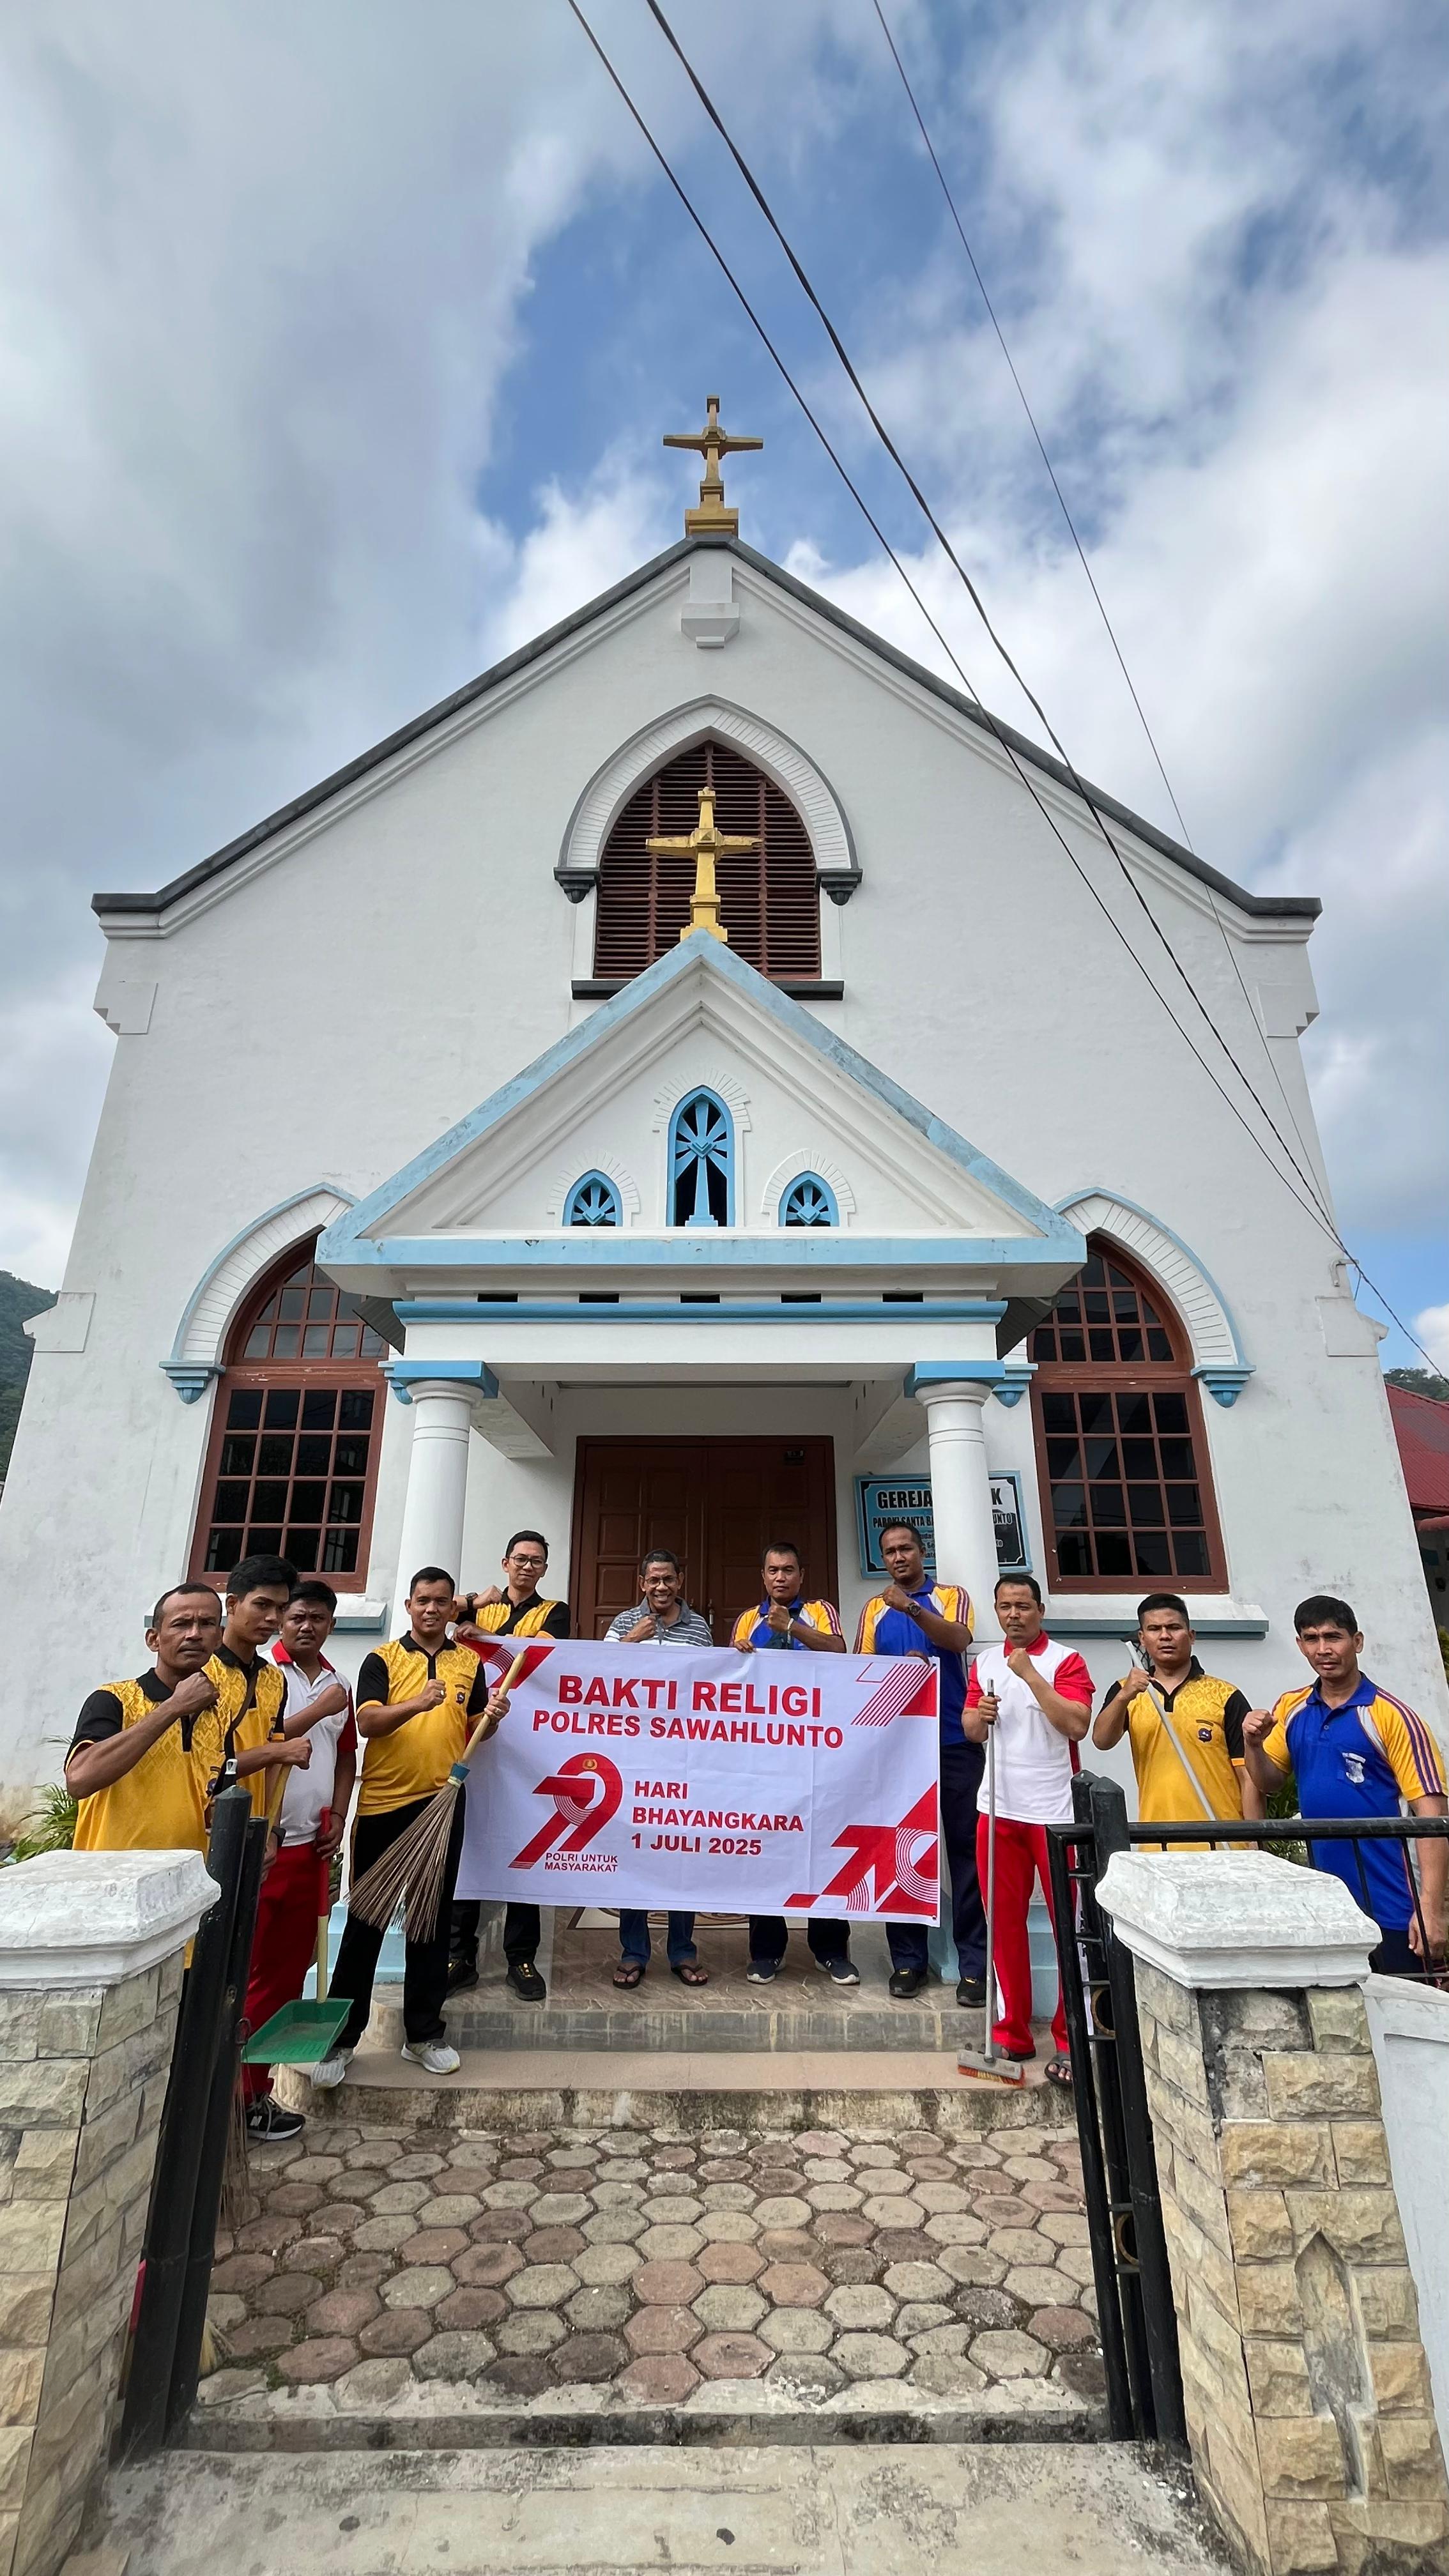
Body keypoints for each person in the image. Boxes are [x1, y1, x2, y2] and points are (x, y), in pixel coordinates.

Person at [312, 1567, 507, 2088]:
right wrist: (418, 1702)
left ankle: (423, 2034)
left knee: (430, 1921)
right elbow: (367, 1723)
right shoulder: (384, 1660)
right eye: (423, 1601)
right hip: (383, 1805)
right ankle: (341, 2039)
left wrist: (494, 1718)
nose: (432, 1609)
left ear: (452, 1609)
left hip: (443, 1804)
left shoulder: (470, 1663)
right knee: (365, 1924)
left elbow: (473, 1734)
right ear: (408, 1606)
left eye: (442, 1602)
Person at [1241, 1593, 1447, 1977]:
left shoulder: (1391, 1716)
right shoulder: (1292, 1707)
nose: (1324, 1649)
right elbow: (1269, 1781)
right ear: (1301, 1645)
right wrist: (1253, 1745)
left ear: (1358, 1642)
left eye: (1334, 1637)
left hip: (1396, 1903)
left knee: (1414, 2019)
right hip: (1331, 1906)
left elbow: (1433, 1818)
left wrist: (1430, 1909)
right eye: (1312, 1638)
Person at [67, 1577, 310, 1852]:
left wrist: (262, 1835)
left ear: (218, 1638)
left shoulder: (217, 1717)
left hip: (189, 1882)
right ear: (153, 1639)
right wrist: (173, 1707)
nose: (195, 1634)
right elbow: (80, 1780)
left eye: (206, 1624)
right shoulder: (115, 1699)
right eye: (181, 1624)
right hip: (116, 1880)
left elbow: (210, 1799)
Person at [965, 1573, 1094, 2085]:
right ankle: (1013, 2030)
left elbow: (1077, 1724)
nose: (1014, 1615)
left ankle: (1069, 2033)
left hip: (1054, 1811)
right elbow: (969, 1728)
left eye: (1023, 1606)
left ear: (1040, 1609)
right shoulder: (985, 1661)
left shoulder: (1065, 1660)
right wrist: (982, 1715)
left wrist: (1030, 1677)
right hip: (997, 1808)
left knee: (1070, 1923)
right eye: (1005, 1607)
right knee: (1004, 1924)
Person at [240, 1580, 357, 2141]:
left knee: (287, 1976)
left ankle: (256, 2094)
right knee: (249, 1972)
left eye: (317, 1619)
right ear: (281, 1621)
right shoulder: (265, 1679)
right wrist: (317, 1710)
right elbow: (254, 1748)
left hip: (312, 1846)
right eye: (296, 1617)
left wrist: (337, 1813)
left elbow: (344, 1759)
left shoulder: (339, 1682)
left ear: (332, 1624)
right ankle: (230, 2094)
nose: (305, 1627)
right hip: (265, 1849)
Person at [854, 1522, 983, 2004]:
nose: (897, 1557)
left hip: (953, 1741)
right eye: (889, 1551)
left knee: (965, 1856)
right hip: (897, 1748)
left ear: (921, 1552)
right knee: (900, 1854)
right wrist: (897, 1672)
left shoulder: (949, 1596)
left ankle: (973, 1965)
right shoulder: (872, 1608)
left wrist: (910, 1606)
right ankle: (908, 1962)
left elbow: (958, 1640)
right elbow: (861, 1672)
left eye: (905, 1548)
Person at [450, 1531, 571, 2004]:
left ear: (544, 1569)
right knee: (469, 1842)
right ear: (505, 1563)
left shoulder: (553, 1610)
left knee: (525, 1845)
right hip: (477, 1736)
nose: (526, 1567)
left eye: (536, 1562)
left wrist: (483, 1634)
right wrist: (474, 1601)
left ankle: (521, 1957)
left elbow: (534, 1654)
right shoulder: (483, 1606)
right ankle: (459, 1956)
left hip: (532, 1741)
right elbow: (433, 1610)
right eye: (519, 1559)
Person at [732, 1541, 855, 1986]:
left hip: (817, 1752)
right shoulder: (748, 1619)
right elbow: (734, 1684)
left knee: (821, 1849)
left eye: (788, 1570)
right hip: (765, 1755)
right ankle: (767, 1951)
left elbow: (839, 1650)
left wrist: (793, 1627)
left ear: (801, 1575)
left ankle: (830, 1950)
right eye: (772, 1571)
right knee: (766, 1850)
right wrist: (740, 1655)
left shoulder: (820, 1611)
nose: (780, 1578)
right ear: (763, 1577)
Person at [606, 1549, 711, 1988]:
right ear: (642, 1583)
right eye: (654, 1580)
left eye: (668, 1579)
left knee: (678, 1853)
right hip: (635, 1757)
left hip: (682, 1758)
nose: (661, 1587)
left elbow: (712, 1686)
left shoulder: (699, 1628)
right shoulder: (622, 1624)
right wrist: (635, 1639)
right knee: (634, 1853)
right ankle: (633, 1952)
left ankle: (682, 1952)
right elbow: (599, 1675)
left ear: (680, 1581)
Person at [1093, 1592, 1263, 1837]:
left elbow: (1248, 1776)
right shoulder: (1126, 1690)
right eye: (1154, 1629)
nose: (1165, 1636)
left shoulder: (1225, 1694)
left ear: (1191, 1636)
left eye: (1174, 1627)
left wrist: (1253, 1840)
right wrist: (1124, 1696)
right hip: (1157, 1839)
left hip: (1223, 1840)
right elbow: (1102, 1741)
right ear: (1142, 1638)